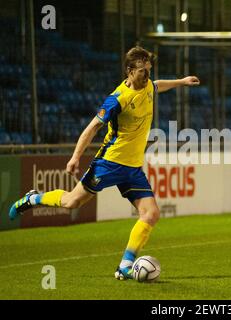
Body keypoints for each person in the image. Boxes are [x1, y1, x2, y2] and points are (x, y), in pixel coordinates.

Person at [9, 46, 200, 280]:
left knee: (151, 214)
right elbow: (92, 128)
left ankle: (125, 266)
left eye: (148, 69)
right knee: (72, 202)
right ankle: (33, 198)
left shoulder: (148, 85)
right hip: (109, 163)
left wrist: (182, 81)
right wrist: (75, 157)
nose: (146, 75)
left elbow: (158, 85)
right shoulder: (117, 99)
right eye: (141, 71)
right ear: (129, 71)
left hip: (132, 168)